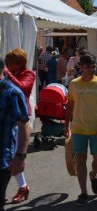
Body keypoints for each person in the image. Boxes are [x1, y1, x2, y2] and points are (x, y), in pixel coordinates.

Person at [65, 54, 97, 206]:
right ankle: (83, 192)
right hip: (78, 128)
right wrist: (66, 126)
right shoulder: (74, 84)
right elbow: (70, 106)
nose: (92, 69)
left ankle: (93, 174)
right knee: (80, 159)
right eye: (89, 66)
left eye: (94, 66)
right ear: (82, 67)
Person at [4, 48, 35, 204]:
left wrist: (7, 75)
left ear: (18, 63)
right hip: (8, 118)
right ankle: (22, 187)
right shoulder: (11, 74)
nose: (8, 65)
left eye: (10, 63)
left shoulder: (29, 74)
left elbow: (22, 88)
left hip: (21, 118)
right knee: (7, 156)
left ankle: (22, 187)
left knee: (13, 156)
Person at [0, 57, 31, 211]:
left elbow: (24, 124)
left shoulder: (11, 92)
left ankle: (23, 187)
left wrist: (20, 156)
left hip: (2, 159)